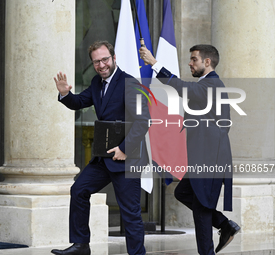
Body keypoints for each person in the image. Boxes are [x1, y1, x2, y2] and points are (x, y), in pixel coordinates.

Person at [139, 44, 240, 255]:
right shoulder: (208, 86)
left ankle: (212, 245)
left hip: (208, 161)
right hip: (203, 159)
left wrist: (155, 64)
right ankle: (223, 224)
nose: (190, 63)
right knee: (182, 192)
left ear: (207, 62)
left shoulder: (212, 84)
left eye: (194, 59)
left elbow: (183, 87)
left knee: (201, 212)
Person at [52, 41, 150, 255]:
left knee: (130, 213)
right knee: (79, 190)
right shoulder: (97, 83)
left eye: (105, 59)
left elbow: (143, 121)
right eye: (96, 61)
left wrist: (124, 148)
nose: (101, 65)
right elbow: (78, 102)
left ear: (114, 58)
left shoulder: (130, 83)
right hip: (103, 158)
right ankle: (81, 245)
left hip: (126, 159)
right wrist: (65, 94)